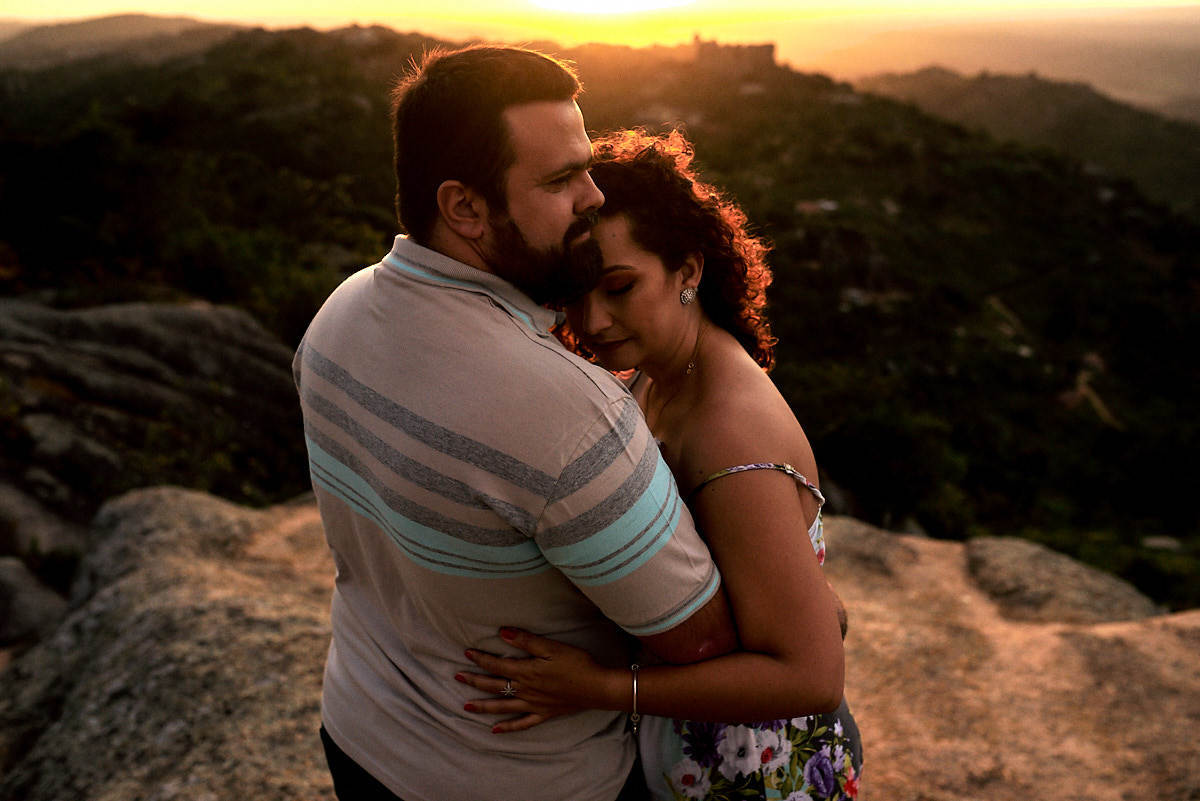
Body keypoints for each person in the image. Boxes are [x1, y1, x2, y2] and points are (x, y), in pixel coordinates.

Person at [293, 49, 740, 801]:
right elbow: (699, 637)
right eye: (561, 181)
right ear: (464, 207)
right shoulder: (563, 411)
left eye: (586, 167)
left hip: (359, 735)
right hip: (522, 778)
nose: (595, 197)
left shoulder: (336, 316)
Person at [456, 130, 863, 800]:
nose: (593, 318)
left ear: (689, 269)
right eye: (576, 292)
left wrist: (601, 689)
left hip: (751, 777)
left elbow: (813, 674)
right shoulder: (662, 373)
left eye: (619, 286)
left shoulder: (729, 432)